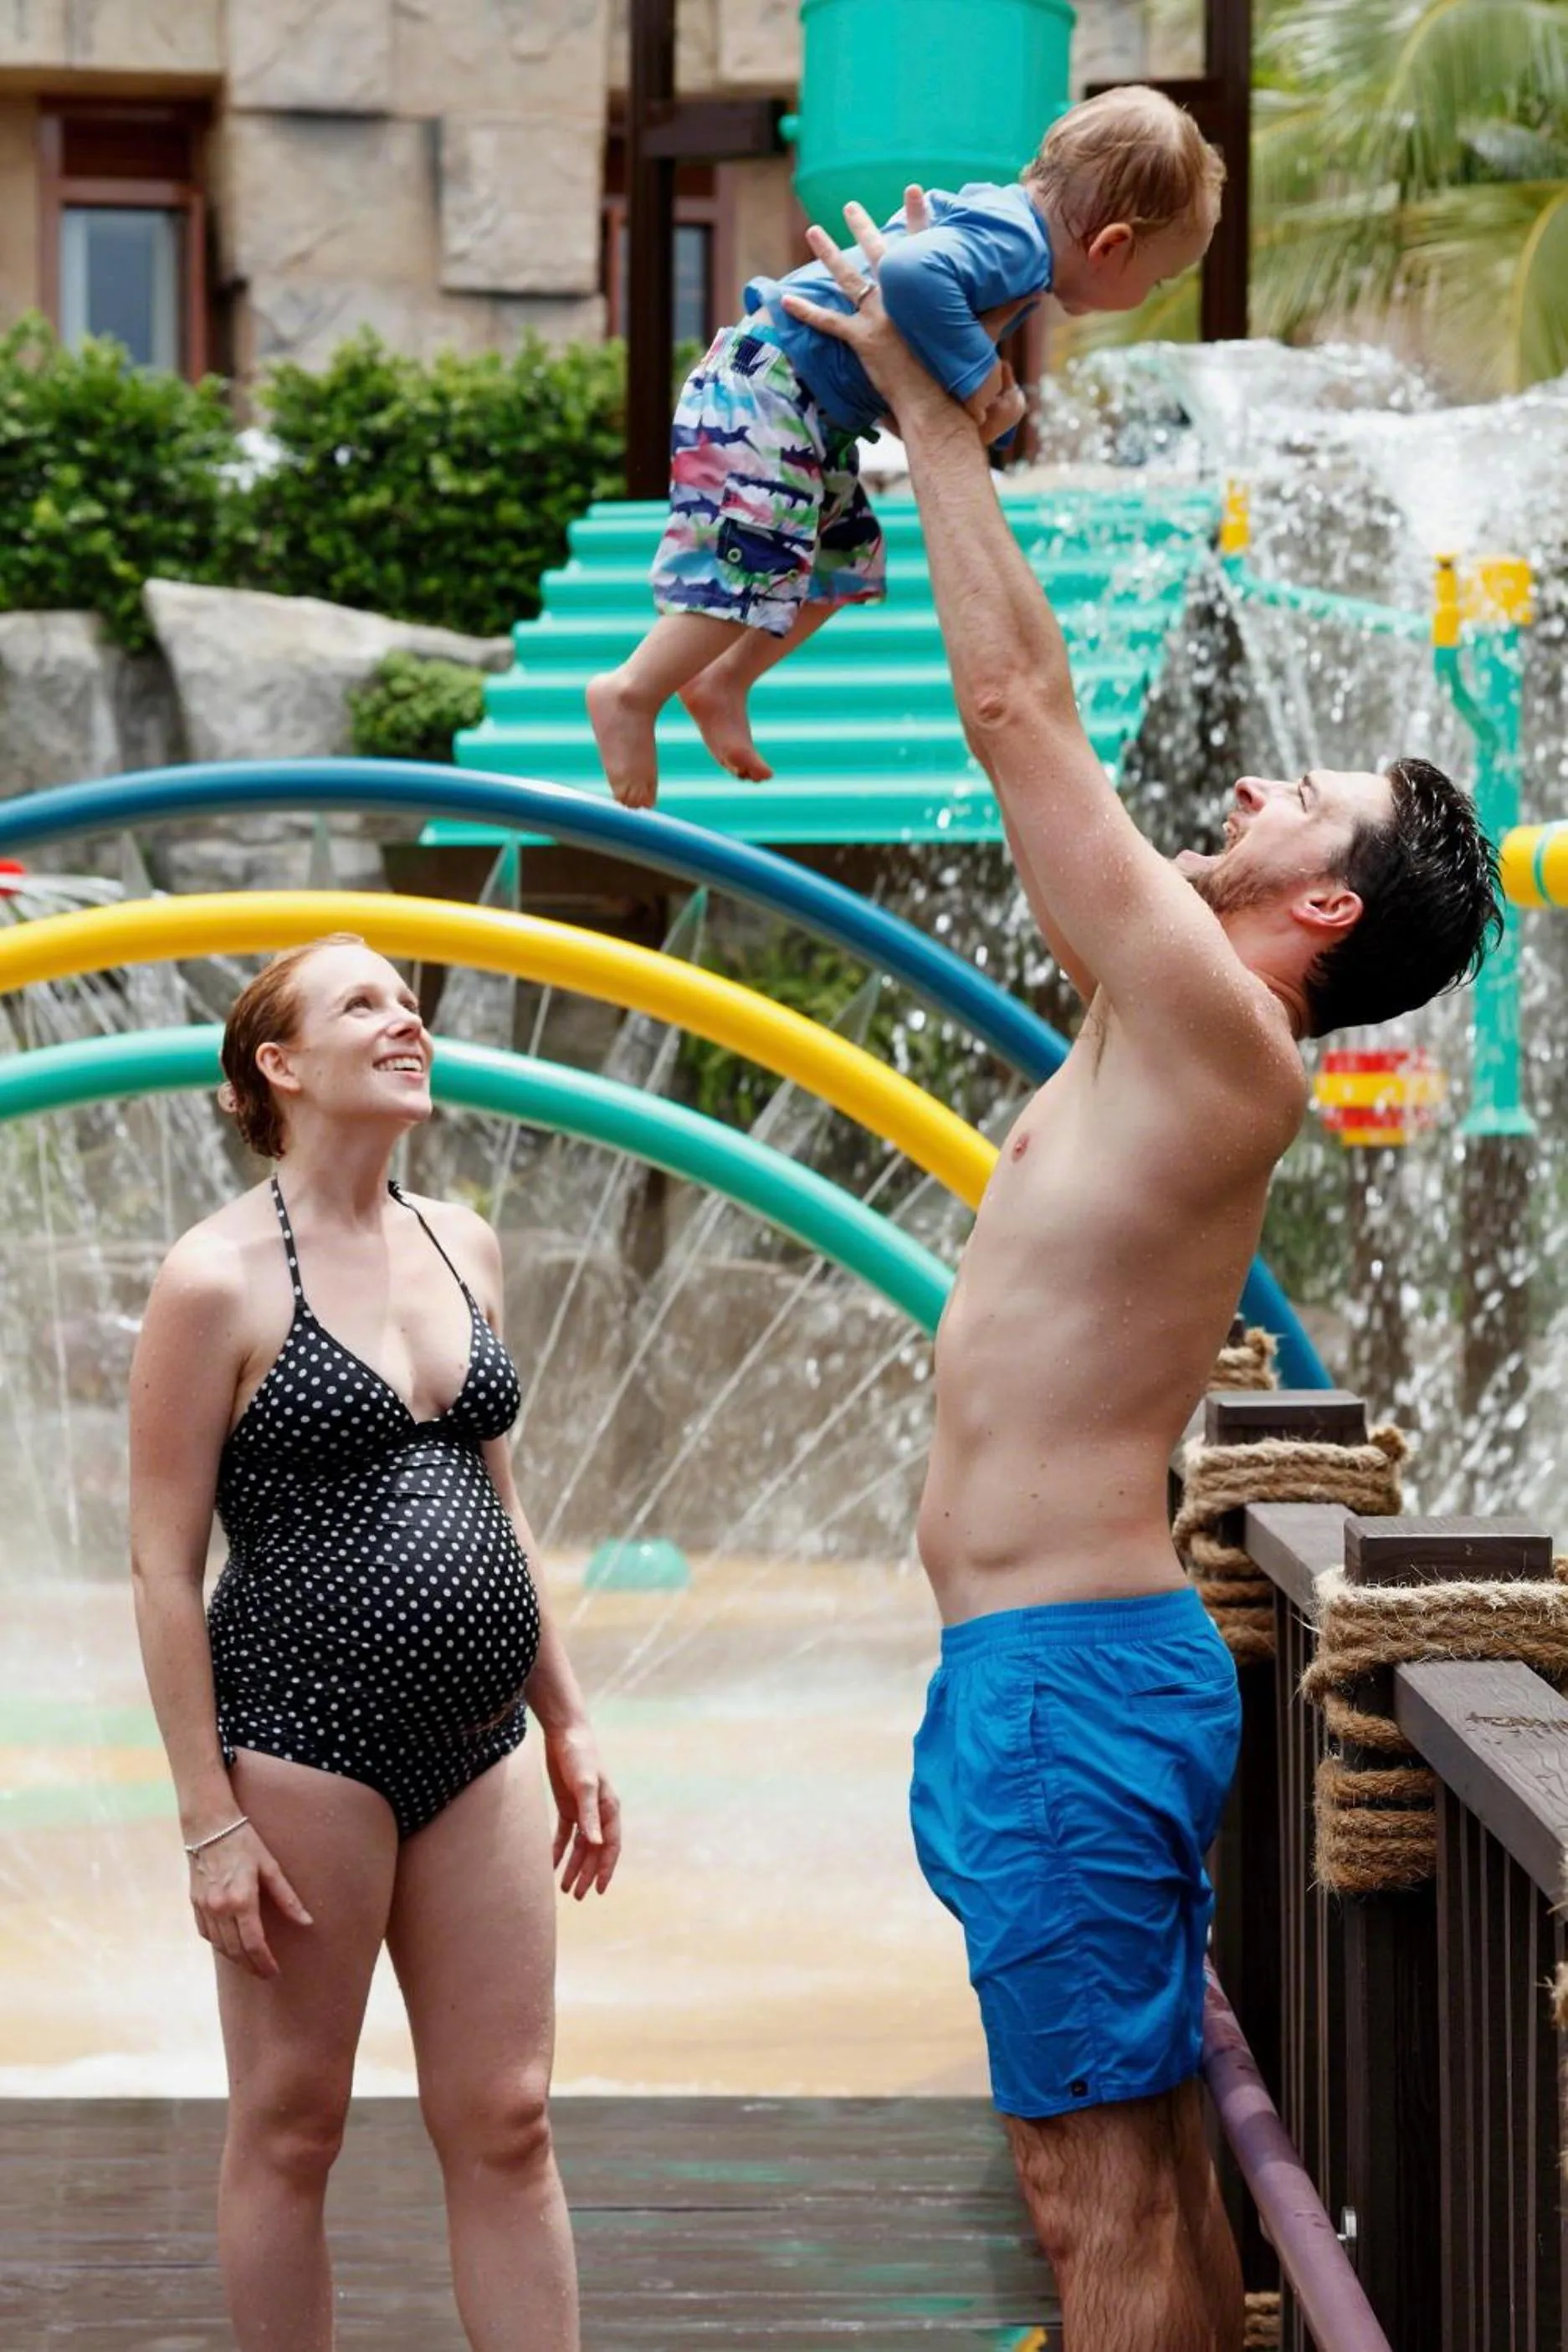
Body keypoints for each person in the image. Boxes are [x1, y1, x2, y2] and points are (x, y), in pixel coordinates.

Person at [780, 218, 1502, 2350]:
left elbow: (1016, 710)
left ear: (1322, 909)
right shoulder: (1167, 1006)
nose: (1254, 783)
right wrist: (984, 412)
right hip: (1059, 1672)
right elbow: (1047, 715)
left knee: (1089, 2198)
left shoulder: (1215, 1027)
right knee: (1151, 2177)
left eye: (1303, 799)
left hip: (1063, 1682)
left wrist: (927, 415)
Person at [128, 932, 619, 2352]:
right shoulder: (212, 1277)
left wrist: (569, 1715)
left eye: (410, 1001)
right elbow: (161, 1565)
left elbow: (499, 1501)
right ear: (279, 1064)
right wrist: (208, 1820)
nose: (408, 1020)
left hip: (482, 1747)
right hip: (301, 1748)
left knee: (509, 2115)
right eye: (364, 1004)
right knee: (294, 2123)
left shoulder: (461, 1240)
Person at [587, 85, 1222, 809]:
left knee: (845, 559)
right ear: (1113, 246)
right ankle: (632, 691)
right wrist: (978, 379)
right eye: (1158, 279)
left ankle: (722, 679)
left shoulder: (1007, 230)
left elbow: (913, 328)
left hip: (809, 410)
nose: (1152, 291)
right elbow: (909, 275)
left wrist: (965, 397)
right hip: (768, 391)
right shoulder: (1017, 243)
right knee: (754, 555)